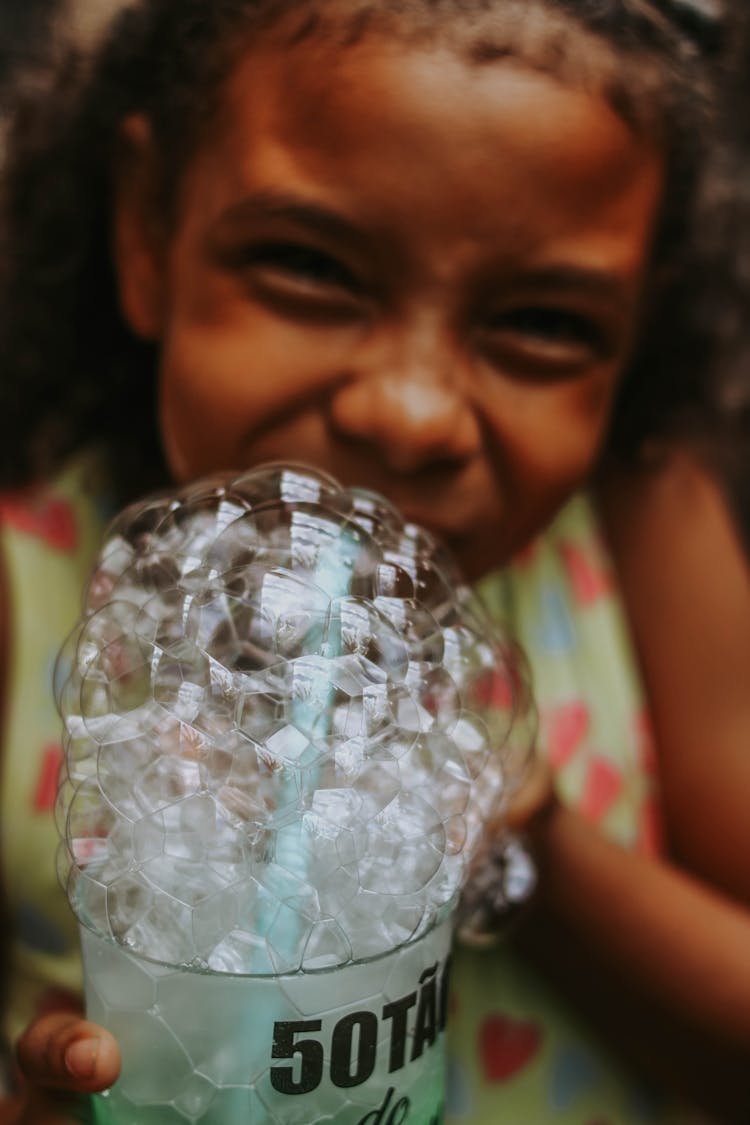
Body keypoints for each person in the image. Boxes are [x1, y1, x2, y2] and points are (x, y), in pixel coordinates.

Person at [0, 0, 749, 1121]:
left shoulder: (644, 526)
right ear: (148, 231)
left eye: (543, 325)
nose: (410, 413)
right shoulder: (22, 596)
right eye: (310, 265)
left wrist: (518, 832)